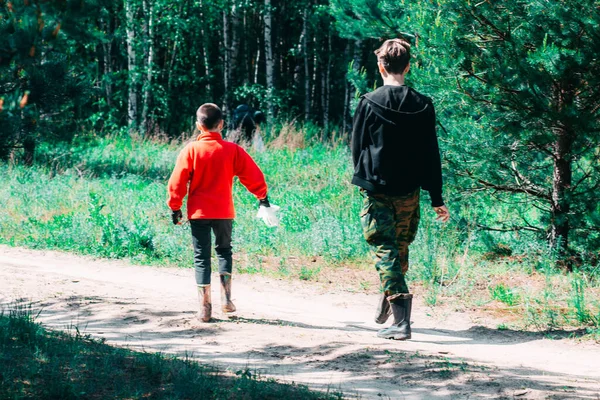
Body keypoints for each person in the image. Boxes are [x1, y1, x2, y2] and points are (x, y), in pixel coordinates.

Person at [351, 38, 450, 340]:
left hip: (377, 188)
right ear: (408, 66)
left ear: (380, 65)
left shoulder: (368, 102)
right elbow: (431, 154)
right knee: (399, 247)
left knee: (386, 248)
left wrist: (363, 179)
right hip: (409, 190)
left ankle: (402, 320)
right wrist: (436, 197)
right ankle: (391, 295)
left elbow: (356, 147)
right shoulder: (423, 104)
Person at [167, 103, 273, 322]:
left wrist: (175, 207)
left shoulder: (190, 150)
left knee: (201, 258)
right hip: (224, 212)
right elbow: (253, 176)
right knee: (224, 251)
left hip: (198, 214)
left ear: (198, 126)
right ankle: (226, 299)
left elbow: (177, 183)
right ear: (222, 124)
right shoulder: (233, 150)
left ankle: (204, 307)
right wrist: (262, 197)